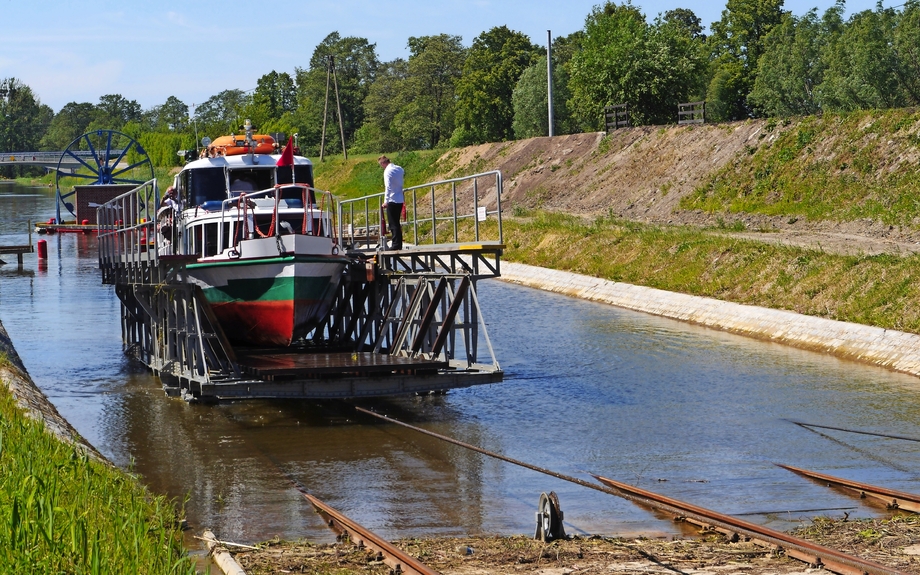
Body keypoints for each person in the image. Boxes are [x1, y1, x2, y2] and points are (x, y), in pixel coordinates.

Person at [378, 155, 405, 250]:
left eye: (381, 165)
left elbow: (388, 187)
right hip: (400, 198)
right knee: (397, 222)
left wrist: (386, 201)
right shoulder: (399, 168)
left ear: (383, 163)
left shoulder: (387, 171)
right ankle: (398, 244)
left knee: (393, 224)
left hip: (392, 199)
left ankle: (395, 245)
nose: (382, 167)